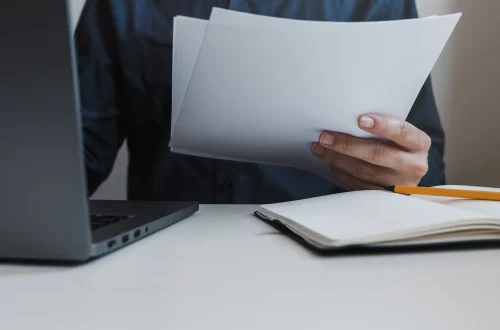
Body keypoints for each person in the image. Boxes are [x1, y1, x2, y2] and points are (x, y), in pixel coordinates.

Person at [75, 0, 446, 204]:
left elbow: (421, 169)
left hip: (332, 267)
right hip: (161, 262)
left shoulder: (377, 3)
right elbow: (79, 154)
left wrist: (403, 180)